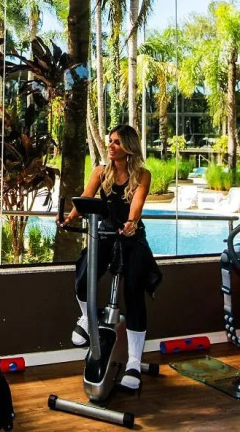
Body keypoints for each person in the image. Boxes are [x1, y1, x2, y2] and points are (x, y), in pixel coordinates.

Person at [58, 124, 161, 391]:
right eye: (110, 141)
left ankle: (134, 363)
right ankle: (86, 318)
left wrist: (131, 222)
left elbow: (137, 204)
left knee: (133, 293)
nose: (111, 146)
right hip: (103, 234)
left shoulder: (142, 174)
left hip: (131, 237)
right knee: (83, 278)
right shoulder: (100, 172)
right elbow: (84, 200)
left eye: (117, 142)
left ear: (129, 146)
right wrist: (69, 218)